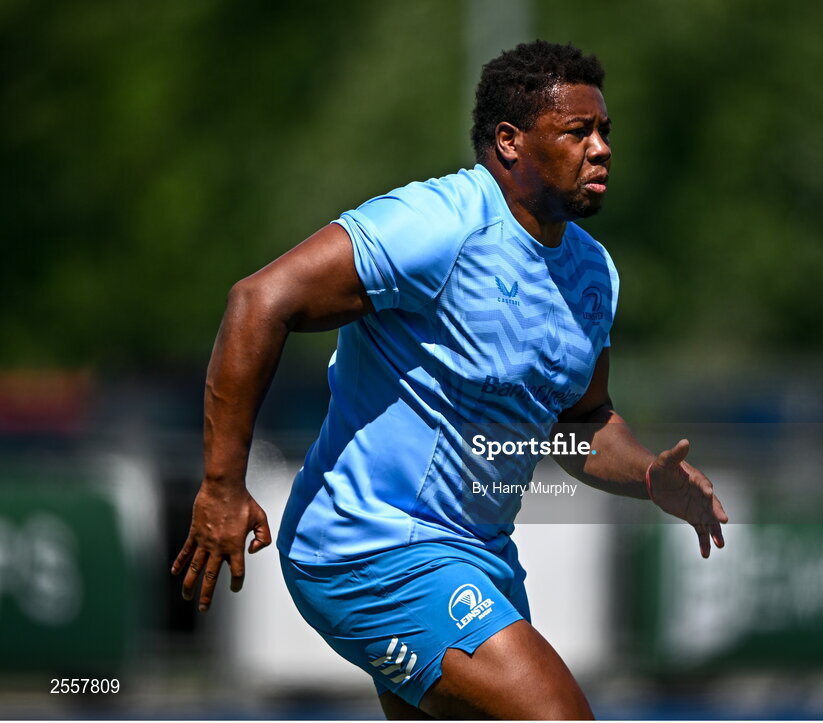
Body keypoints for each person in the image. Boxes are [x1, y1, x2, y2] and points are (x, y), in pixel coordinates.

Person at [172, 40, 727, 720]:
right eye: (577, 131)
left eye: (605, 131)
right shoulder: (436, 224)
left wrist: (649, 475)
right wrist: (222, 486)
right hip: (370, 546)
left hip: (479, 559)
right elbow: (259, 301)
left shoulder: (593, 273)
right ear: (510, 142)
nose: (601, 148)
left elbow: (580, 424)